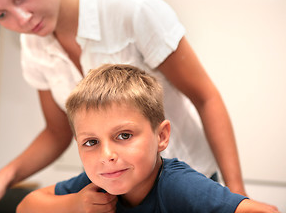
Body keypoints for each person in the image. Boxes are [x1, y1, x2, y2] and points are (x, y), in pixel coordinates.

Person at [0, 0, 247, 212]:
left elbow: (205, 97)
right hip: (123, 189)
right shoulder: (33, 47)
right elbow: (57, 130)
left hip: (186, 181)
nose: (22, 19)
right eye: (1, 15)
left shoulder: (132, 11)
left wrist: (235, 193)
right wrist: (3, 179)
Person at [16, 64, 279, 213]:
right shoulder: (99, 181)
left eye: (124, 135)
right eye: (91, 142)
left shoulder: (179, 186)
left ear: (162, 136)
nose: (106, 154)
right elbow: (26, 206)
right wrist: (74, 204)